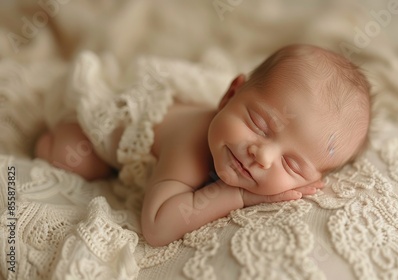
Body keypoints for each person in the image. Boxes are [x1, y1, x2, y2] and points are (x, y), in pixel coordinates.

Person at [35, 44, 371, 247]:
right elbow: (156, 226)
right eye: (259, 124)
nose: (263, 156)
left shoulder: (237, 144)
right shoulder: (190, 148)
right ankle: (49, 140)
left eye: (292, 165)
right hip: (110, 126)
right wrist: (239, 195)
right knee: (74, 157)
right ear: (229, 95)